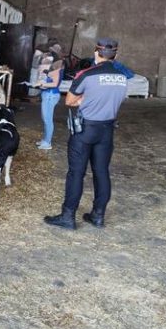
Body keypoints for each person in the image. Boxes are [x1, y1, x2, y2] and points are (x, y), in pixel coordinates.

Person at [44, 38, 128, 230]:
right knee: (101, 172)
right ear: (116, 55)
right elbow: (117, 100)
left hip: (85, 130)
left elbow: (70, 101)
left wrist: (87, 99)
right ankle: (98, 216)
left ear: (96, 53)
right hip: (106, 130)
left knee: (76, 173)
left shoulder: (86, 75)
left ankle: (68, 216)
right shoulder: (122, 77)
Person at [35, 43, 64, 150]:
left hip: (51, 95)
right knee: (45, 118)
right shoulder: (52, 66)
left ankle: (47, 143)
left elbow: (55, 84)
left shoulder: (56, 67)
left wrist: (42, 84)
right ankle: (45, 140)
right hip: (48, 94)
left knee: (47, 119)